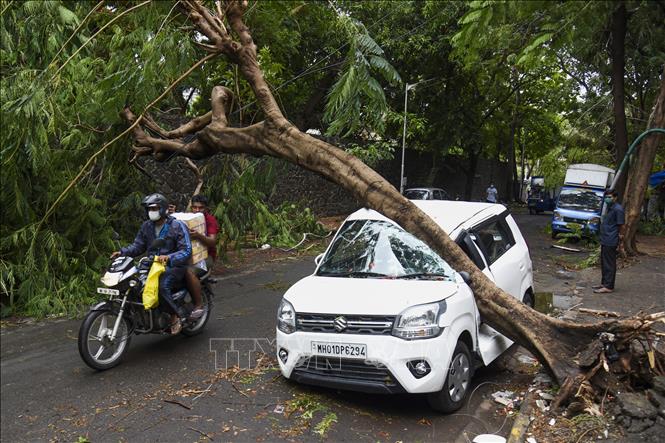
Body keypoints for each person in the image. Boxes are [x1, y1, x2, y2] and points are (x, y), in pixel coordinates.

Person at [111, 193, 192, 334]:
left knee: (161, 287)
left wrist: (169, 257)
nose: (151, 212)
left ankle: (175, 316)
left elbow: (186, 250)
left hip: (173, 266)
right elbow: (138, 246)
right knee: (133, 284)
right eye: (149, 209)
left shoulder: (177, 226)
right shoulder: (147, 226)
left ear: (163, 209)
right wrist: (122, 252)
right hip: (151, 264)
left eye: (154, 208)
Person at [185, 194, 219, 319]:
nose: (197, 211)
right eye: (194, 208)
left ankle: (198, 305)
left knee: (189, 272)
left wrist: (199, 236)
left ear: (206, 209)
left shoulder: (210, 220)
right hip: (186, 256)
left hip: (205, 258)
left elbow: (212, 241)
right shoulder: (188, 219)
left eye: (201, 208)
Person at [593, 190, 625, 294]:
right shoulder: (610, 208)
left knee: (609, 263)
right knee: (604, 262)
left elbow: (622, 225)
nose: (607, 199)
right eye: (606, 196)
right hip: (605, 238)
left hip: (611, 239)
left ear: (615, 198)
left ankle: (609, 286)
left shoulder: (618, 209)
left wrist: (620, 239)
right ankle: (604, 283)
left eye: (610, 197)